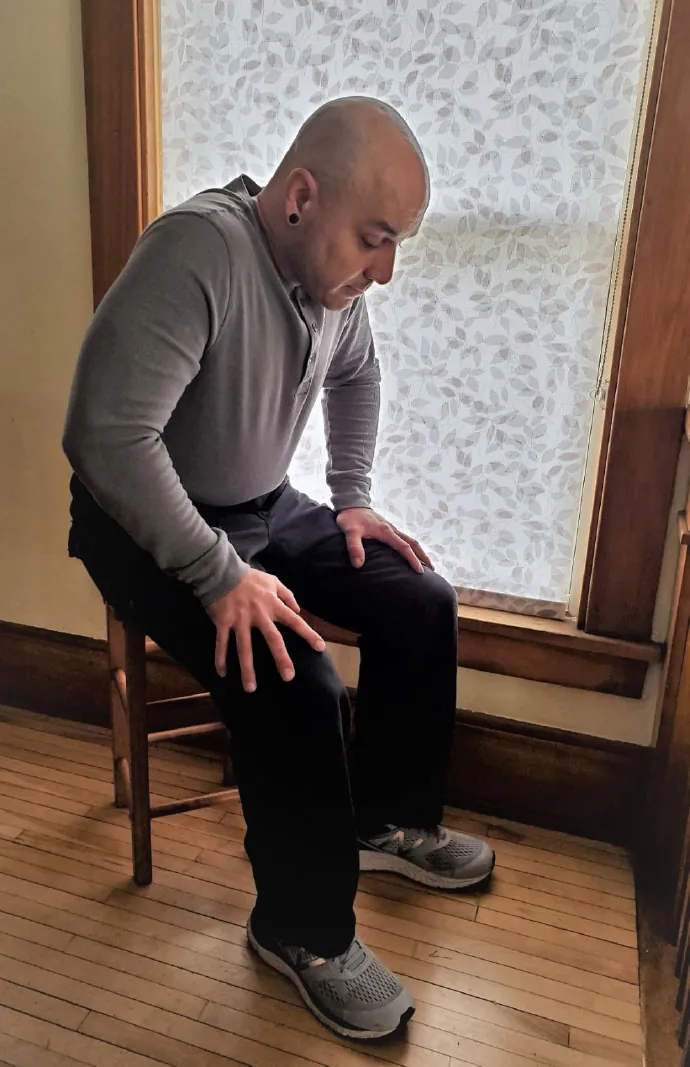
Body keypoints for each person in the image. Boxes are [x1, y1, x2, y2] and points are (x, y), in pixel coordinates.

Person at [63, 96, 495, 1041]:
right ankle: (297, 932)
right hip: (142, 520)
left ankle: (383, 823)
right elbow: (102, 434)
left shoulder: (332, 287)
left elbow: (359, 374)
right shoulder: (198, 251)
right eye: (375, 238)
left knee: (416, 599)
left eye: (398, 245)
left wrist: (350, 494)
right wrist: (219, 574)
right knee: (298, 680)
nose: (385, 271)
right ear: (302, 196)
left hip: (260, 504)